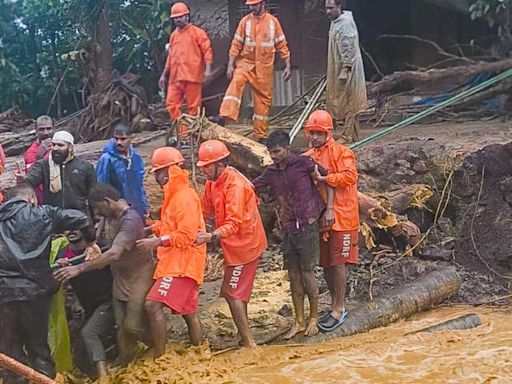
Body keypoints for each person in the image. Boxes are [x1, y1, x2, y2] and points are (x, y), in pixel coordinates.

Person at [0, 184, 96, 383]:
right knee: (39, 349)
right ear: (31, 198)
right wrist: (91, 242)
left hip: (3, 293)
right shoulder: (43, 214)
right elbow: (80, 218)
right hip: (35, 292)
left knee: (10, 354)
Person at [54, 183, 155, 366]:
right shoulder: (109, 216)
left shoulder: (129, 220)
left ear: (108, 202)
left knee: (132, 325)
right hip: (120, 277)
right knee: (121, 324)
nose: (98, 214)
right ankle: (125, 359)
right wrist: (90, 246)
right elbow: (96, 235)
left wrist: (79, 268)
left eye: (99, 208)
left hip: (138, 275)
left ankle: (160, 347)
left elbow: (114, 252)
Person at [253, 130, 334, 339]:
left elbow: (328, 180)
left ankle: (313, 318)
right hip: (289, 227)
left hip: (308, 224)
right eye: (271, 152)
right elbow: (253, 186)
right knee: (293, 275)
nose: (274, 156)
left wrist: (330, 209)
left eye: (277, 151)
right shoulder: (271, 172)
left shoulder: (304, 163)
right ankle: (298, 320)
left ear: (288, 149)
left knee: (308, 272)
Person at [135, 147, 207, 357]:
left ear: (168, 170)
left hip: (182, 265)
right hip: (179, 261)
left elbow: (186, 235)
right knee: (188, 312)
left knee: (152, 305)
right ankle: (200, 352)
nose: (156, 177)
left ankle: (159, 356)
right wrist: (153, 226)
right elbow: (171, 225)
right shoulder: (174, 195)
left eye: (158, 171)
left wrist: (156, 241)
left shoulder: (183, 197)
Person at [195, 140, 267, 348]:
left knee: (232, 293)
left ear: (220, 163)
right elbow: (204, 210)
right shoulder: (212, 183)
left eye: (207, 166)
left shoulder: (235, 185)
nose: (204, 170)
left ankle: (249, 342)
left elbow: (234, 223)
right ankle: (243, 335)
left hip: (246, 245)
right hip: (233, 245)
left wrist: (211, 236)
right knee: (235, 292)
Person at [304, 110, 359, 331]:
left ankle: (340, 308)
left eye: (319, 133)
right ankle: (334, 304)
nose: (315, 137)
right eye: (312, 133)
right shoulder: (308, 157)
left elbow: (350, 176)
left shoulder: (342, 152)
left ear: (328, 133)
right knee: (326, 263)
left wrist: (326, 178)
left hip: (343, 217)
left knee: (338, 263)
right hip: (321, 219)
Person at [209, 0, 291, 143]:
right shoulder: (245, 22)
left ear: (263, 3)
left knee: (262, 102)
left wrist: (287, 66)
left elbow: (282, 45)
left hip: (264, 68)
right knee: (236, 82)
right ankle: (224, 116)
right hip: (246, 63)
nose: (252, 8)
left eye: (254, 5)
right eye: (250, 5)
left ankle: (260, 135)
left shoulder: (273, 23)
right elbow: (236, 44)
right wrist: (230, 65)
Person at [55, 230, 114, 378]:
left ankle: (103, 378)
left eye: (76, 227)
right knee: (79, 354)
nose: (71, 231)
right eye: (67, 228)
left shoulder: (100, 247)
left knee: (89, 333)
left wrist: (81, 266)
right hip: (89, 308)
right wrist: (60, 268)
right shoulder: (63, 255)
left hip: (109, 302)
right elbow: (54, 280)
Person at [159, 1, 213, 147]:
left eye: (180, 17)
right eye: (175, 17)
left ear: (187, 16)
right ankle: (182, 135)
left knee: (193, 108)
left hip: (192, 76)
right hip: (175, 77)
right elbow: (170, 56)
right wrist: (164, 74)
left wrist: (208, 69)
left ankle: (193, 136)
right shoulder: (173, 36)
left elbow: (207, 50)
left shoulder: (197, 32)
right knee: (171, 104)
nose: (178, 19)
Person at [19, 131, 96, 215]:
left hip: (78, 216)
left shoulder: (84, 166)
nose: (55, 148)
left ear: (70, 147)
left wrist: (95, 218)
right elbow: (30, 182)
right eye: (53, 145)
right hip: (52, 217)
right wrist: (23, 180)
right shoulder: (44, 165)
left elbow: (93, 195)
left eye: (60, 145)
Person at [325, 0, 367, 143]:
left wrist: (345, 68)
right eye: (326, 8)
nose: (328, 11)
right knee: (347, 101)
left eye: (331, 8)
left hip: (348, 71)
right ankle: (353, 135)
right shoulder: (335, 22)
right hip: (338, 67)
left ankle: (347, 135)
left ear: (339, 7)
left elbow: (348, 48)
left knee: (350, 101)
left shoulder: (344, 25)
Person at [96, 124, 150, 221]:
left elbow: (139, 184)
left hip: (136, 206)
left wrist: (144, 206)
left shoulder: (136, 157)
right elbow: (102, 187)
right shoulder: (107, 159)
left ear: (132, 138)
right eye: (116, 139)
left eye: (123, 139)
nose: (118, 142)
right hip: (117, 211)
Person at [24, 115, 54, 204]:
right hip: (42, 198)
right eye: (42, 129)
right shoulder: (31, 152)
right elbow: (29, 175)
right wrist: (39, 156)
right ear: (36, 131)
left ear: (53, 128)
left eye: (49, 128)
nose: (46, 132)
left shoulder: (59, 146)